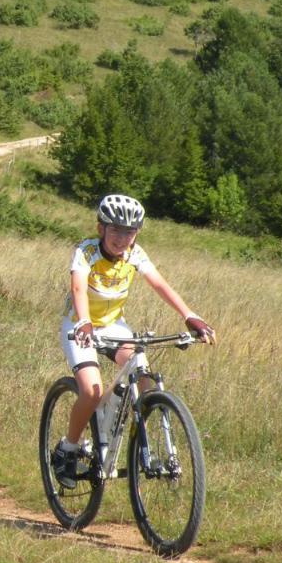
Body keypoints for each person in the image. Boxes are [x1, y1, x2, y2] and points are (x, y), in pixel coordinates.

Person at [51, 194, 216, 489]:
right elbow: (78, 287)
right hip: (81, 325)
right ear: (101, 228)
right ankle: (69, 448)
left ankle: (117, 430)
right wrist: (84, 321)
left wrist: (189, 315)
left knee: (143, 376)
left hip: (114, 326)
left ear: (137, 233)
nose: (122, 238)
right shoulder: (86, 251)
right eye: (115, 230)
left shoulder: (135, 254)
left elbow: (160, 284)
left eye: (129, 232)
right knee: (90, 390)